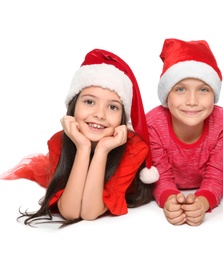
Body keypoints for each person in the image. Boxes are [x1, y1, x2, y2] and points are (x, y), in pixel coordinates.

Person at [0, 49, 159, 228]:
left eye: (113, 107)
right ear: (73, 106)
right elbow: (70, 211)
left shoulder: (134, 147)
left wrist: (101, 150)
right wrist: (83, 148)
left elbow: (90, 212)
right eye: (89, 102)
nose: (99, 114)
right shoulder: (58, 142)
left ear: (123, 117)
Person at [146, 38, 223, 226]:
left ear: (214, 94)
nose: (192, 101)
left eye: (203, 89)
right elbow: (160, 173)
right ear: (166, 95)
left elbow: (217, 173)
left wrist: (202, 202)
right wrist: (170, 199)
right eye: (180, 89)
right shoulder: (153, 123)